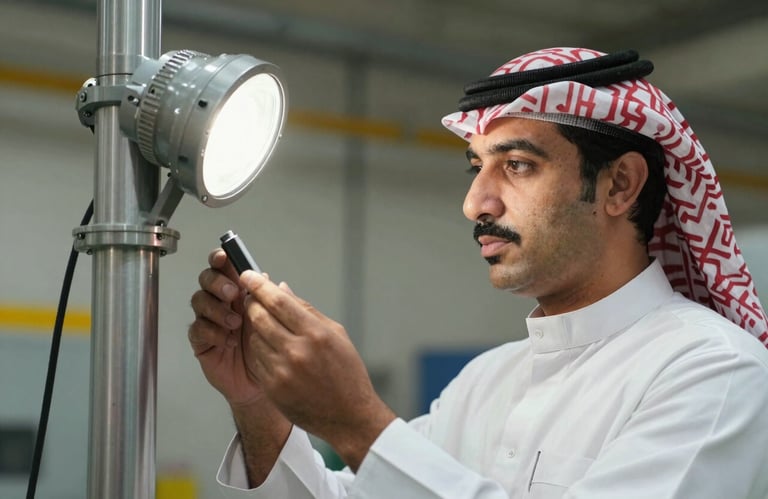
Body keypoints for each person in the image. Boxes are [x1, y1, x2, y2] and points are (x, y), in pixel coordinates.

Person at [188, 47, 768, 498]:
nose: (475, 203)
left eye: (517, 165)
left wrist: (358, 422)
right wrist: (259, 404)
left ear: (620, 185)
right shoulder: (485, 381)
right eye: (477, 168)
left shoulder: (716, 372)